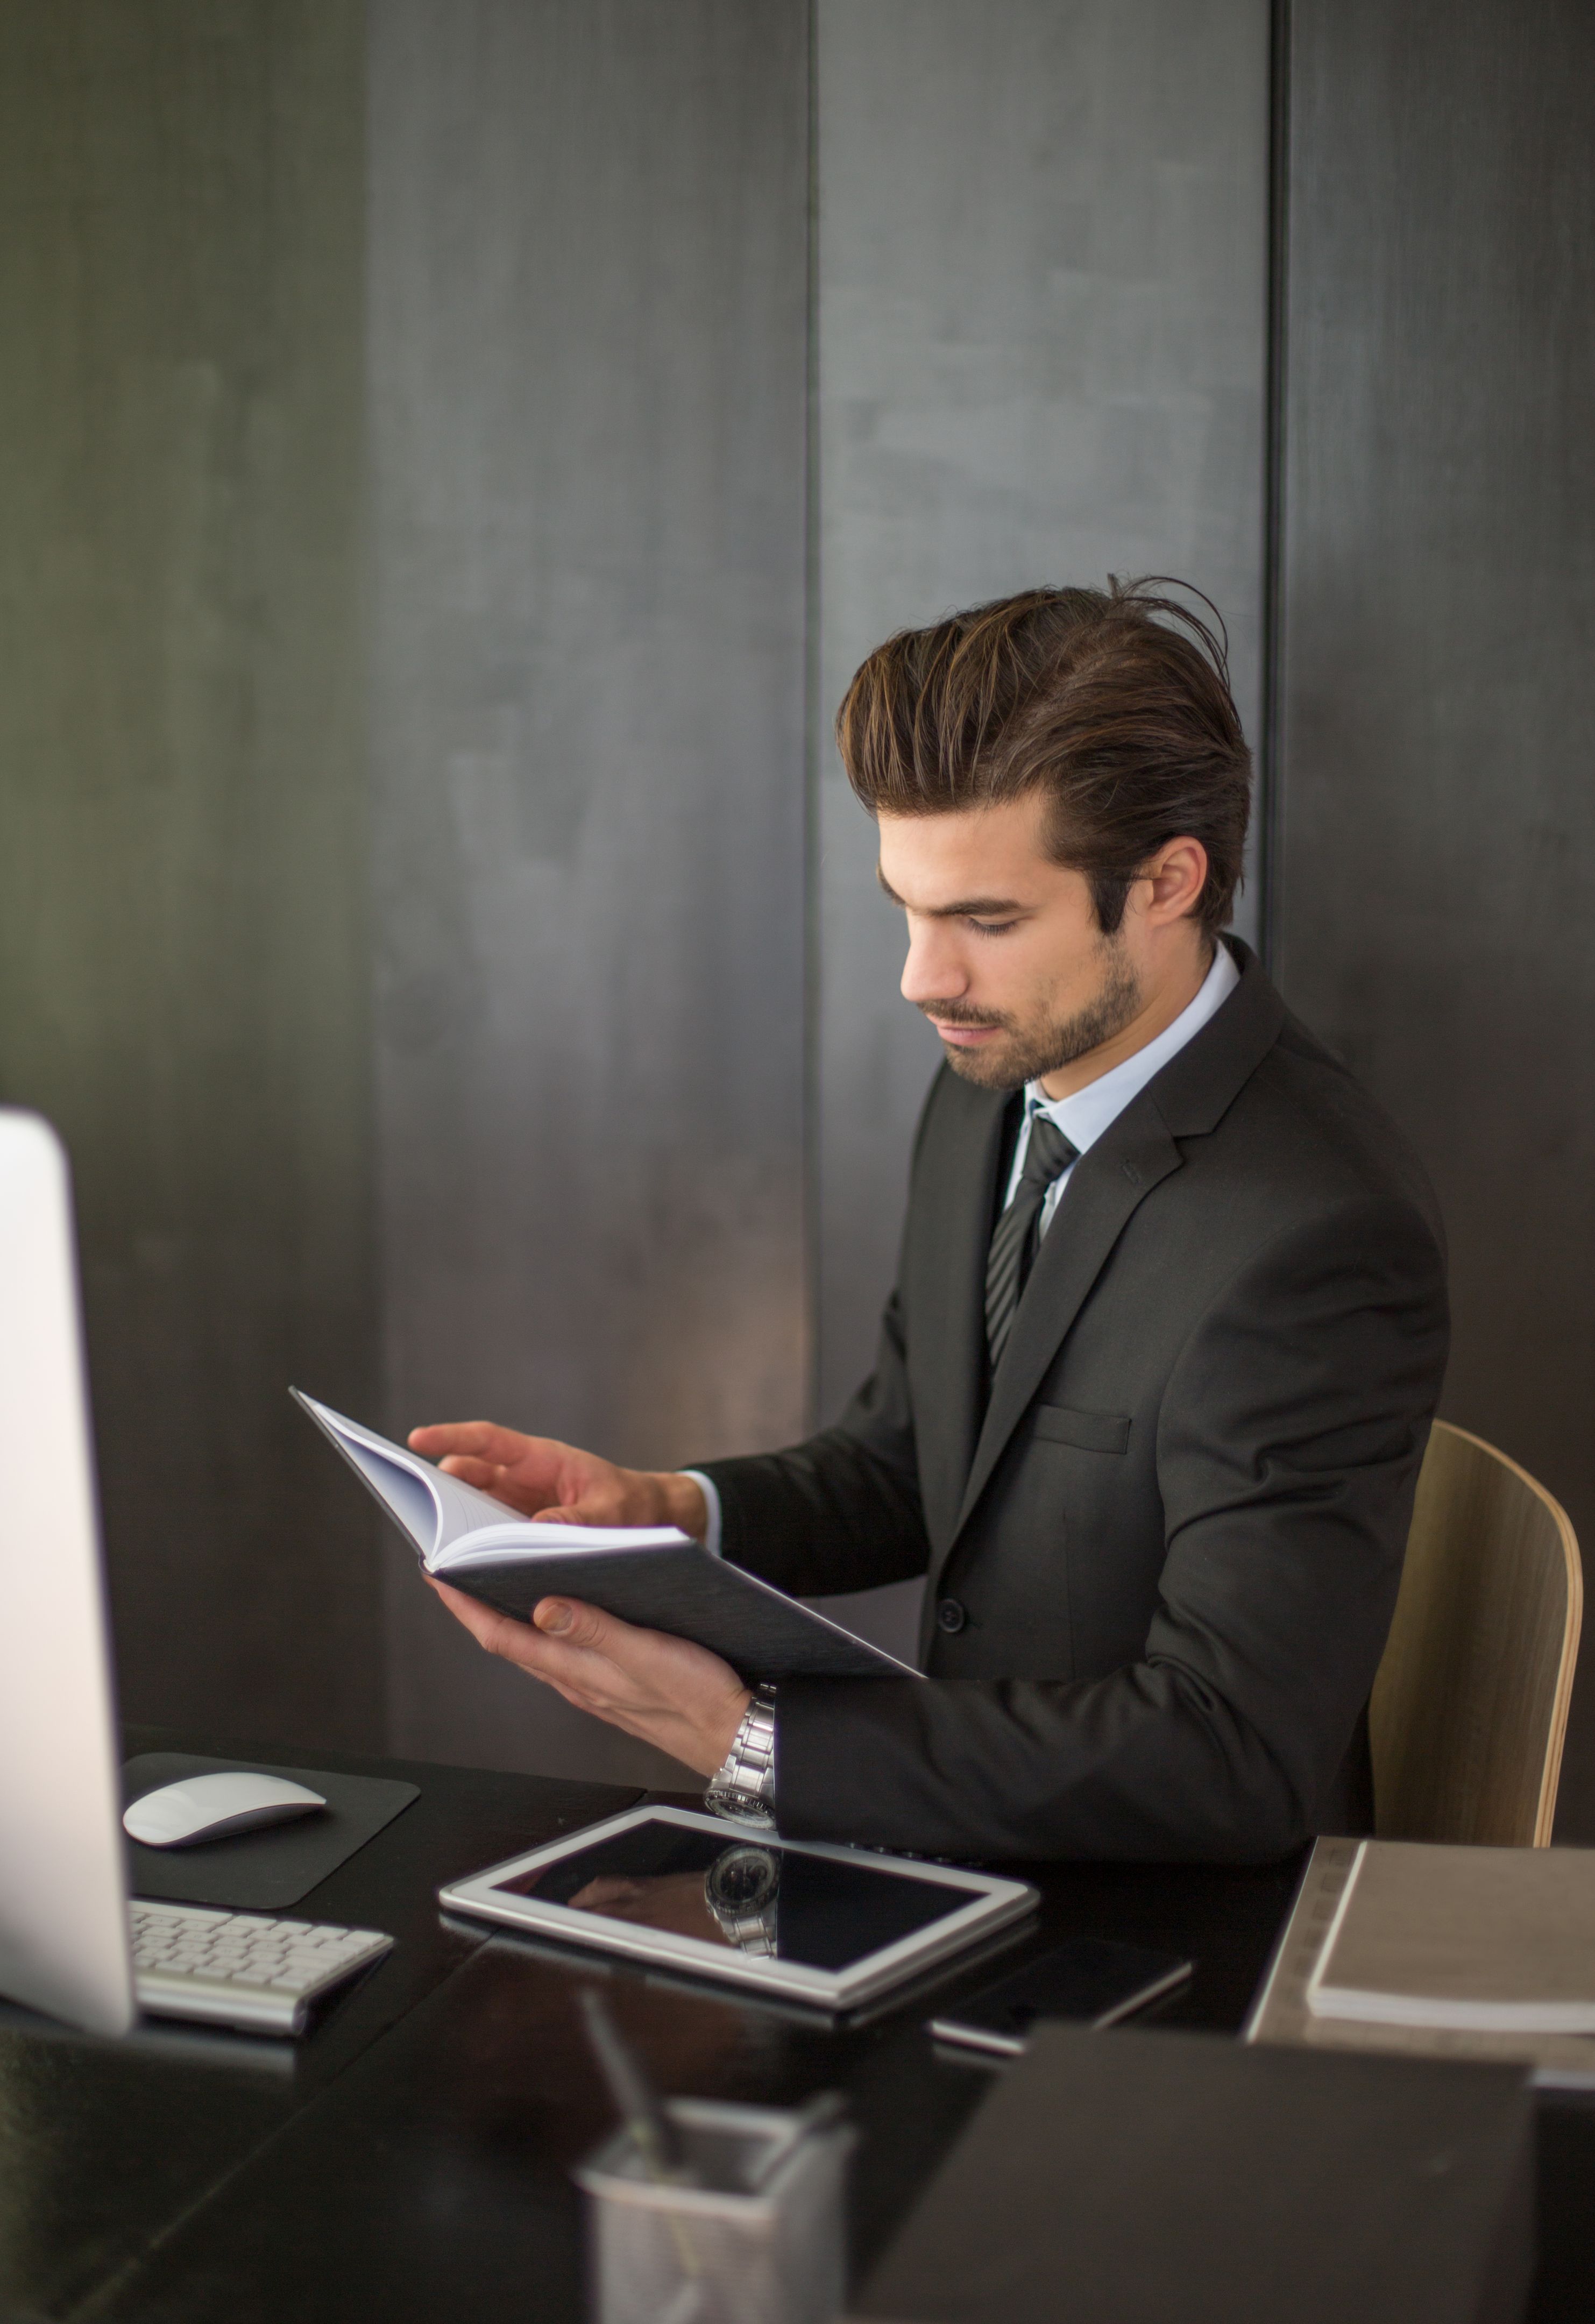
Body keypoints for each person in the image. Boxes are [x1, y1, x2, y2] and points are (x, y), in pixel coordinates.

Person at [414, 580, 1449, 1862]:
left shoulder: (1318, 1239)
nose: (922, 979)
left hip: (1160, 1951)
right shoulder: (996, 1077)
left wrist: (757, 1746)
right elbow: (918, 1456)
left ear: (1169, 880)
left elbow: (1229, 1755)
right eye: (906, 905)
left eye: (987, 921)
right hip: (959, 1857)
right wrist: (673, 1516)